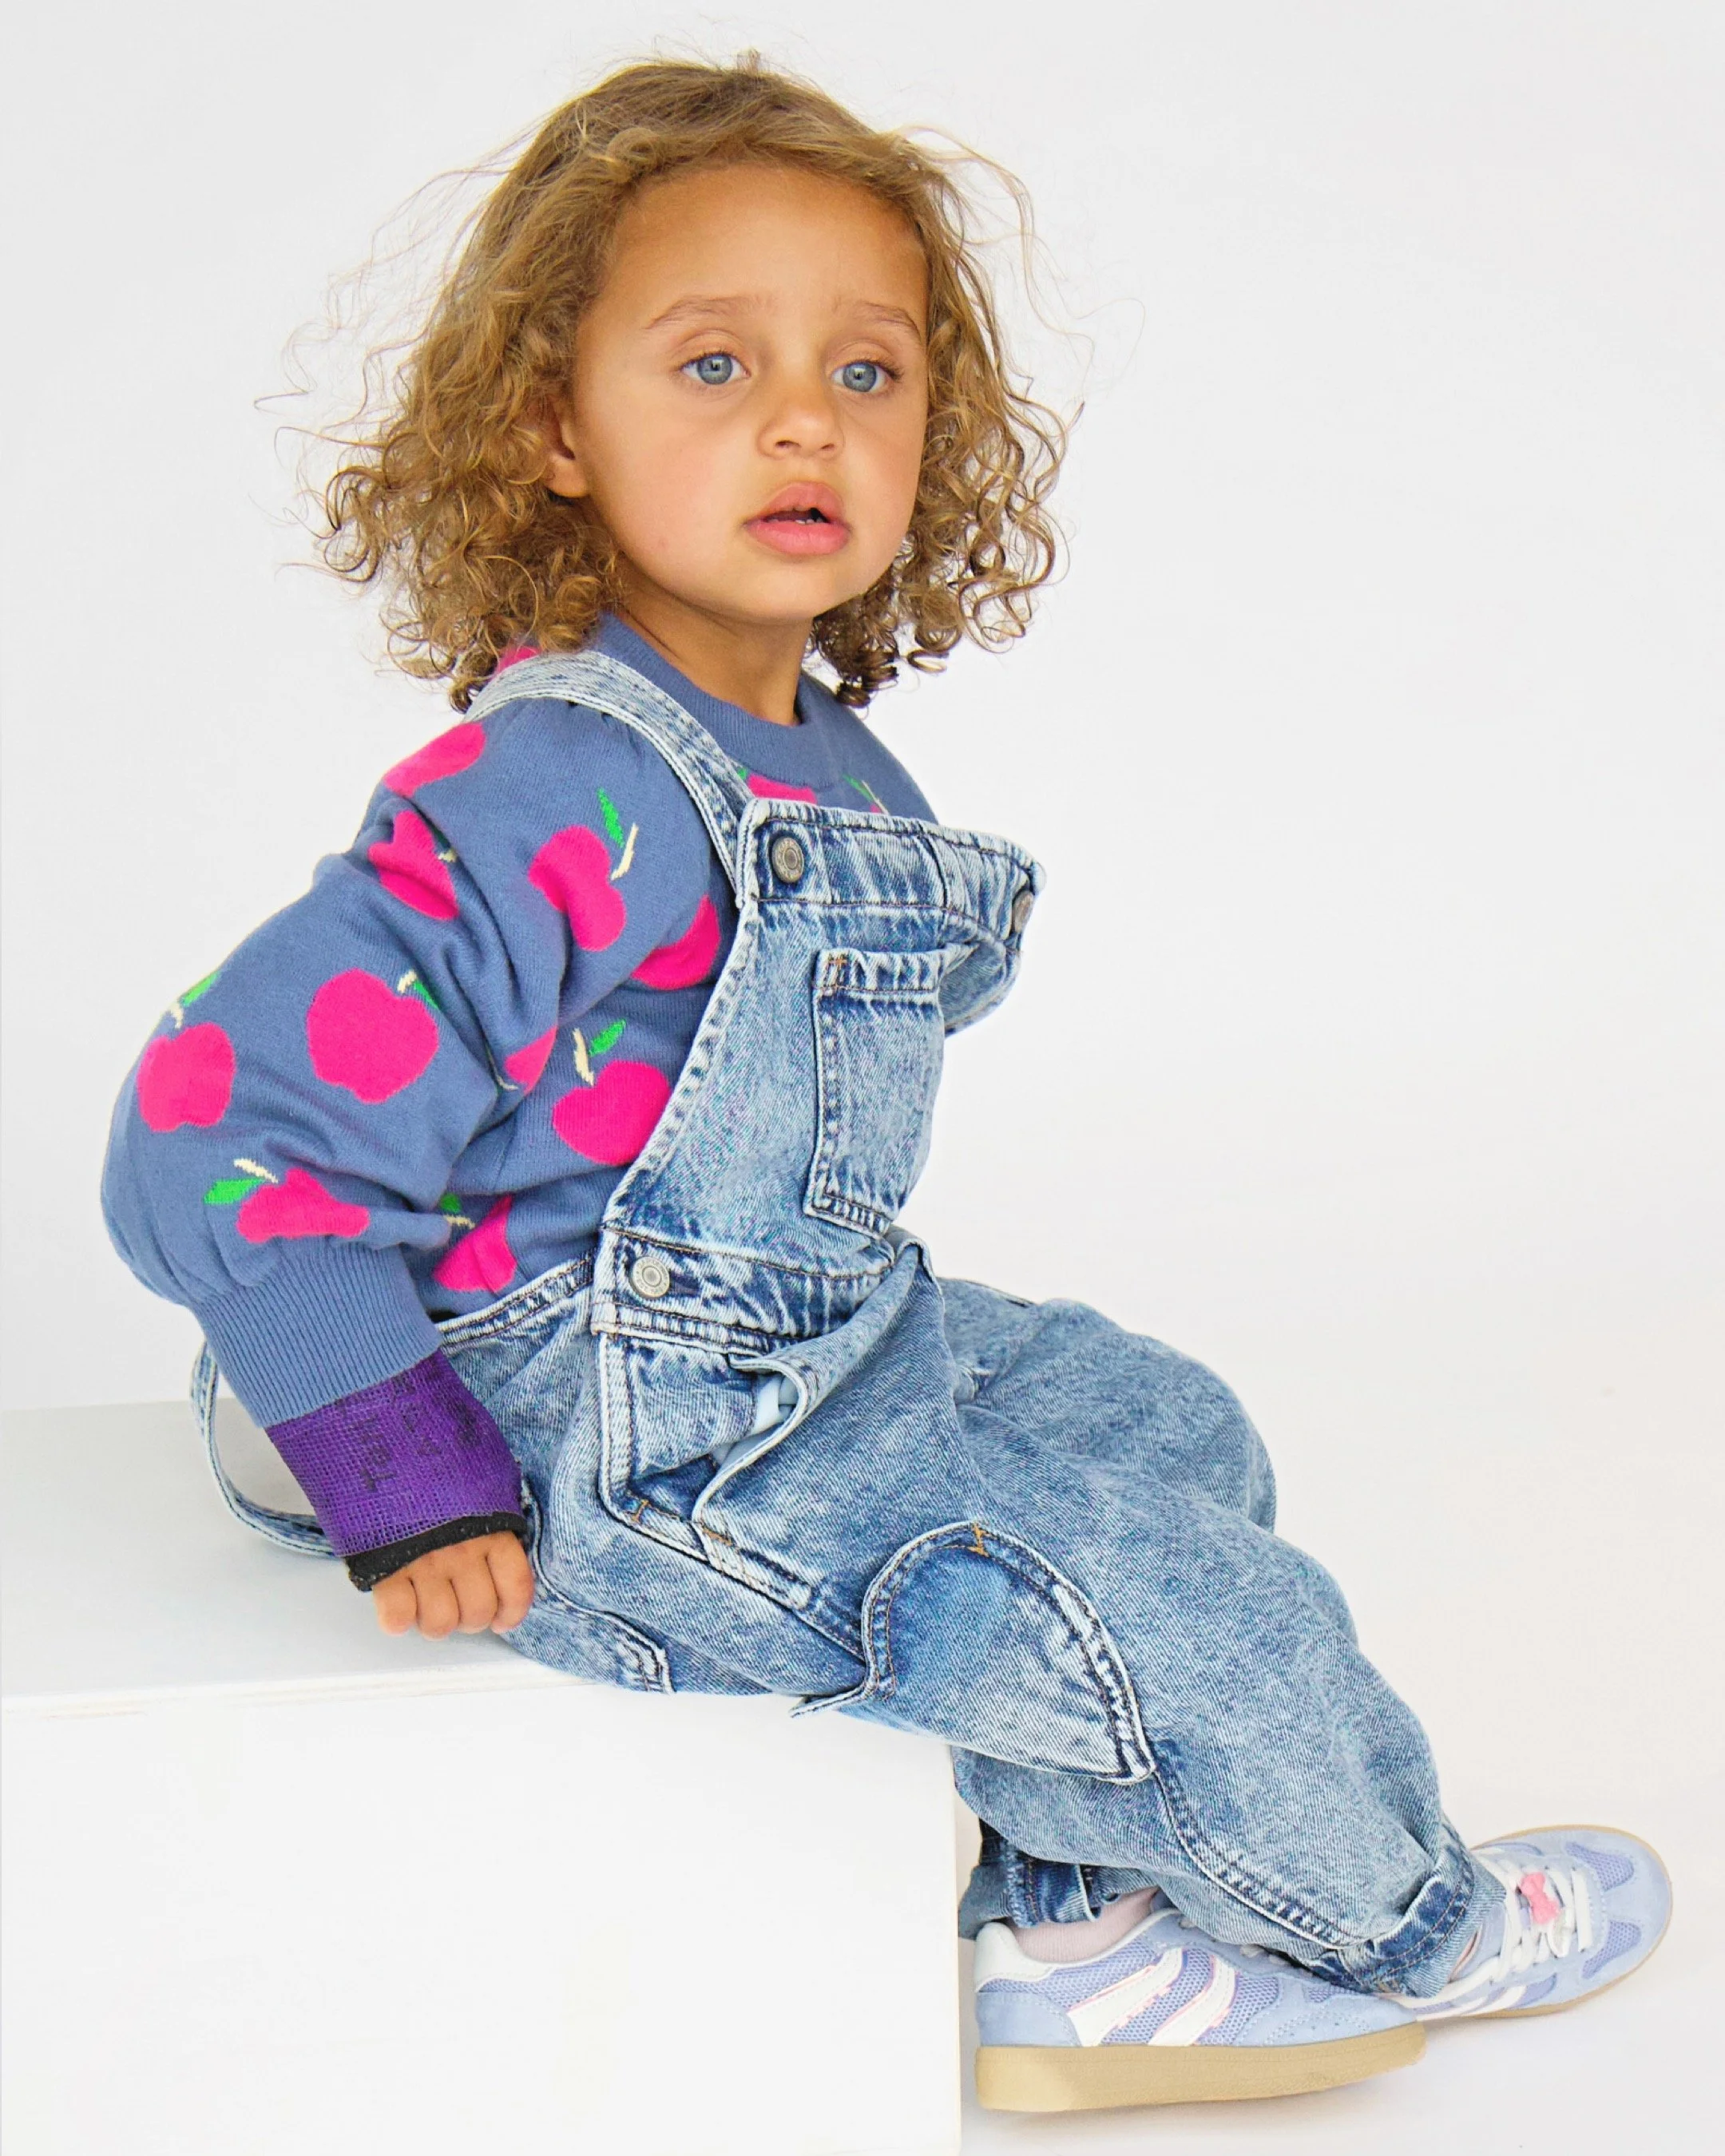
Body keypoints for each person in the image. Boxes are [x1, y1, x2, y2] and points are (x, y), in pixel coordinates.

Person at [100, 54, 1669, 2114]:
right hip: (617, 1434)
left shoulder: (817, 756)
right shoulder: (547, 788)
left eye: (867, 369)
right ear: (551, 428)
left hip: (806, 1344)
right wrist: (400, 1467)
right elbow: (211, 1130)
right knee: (1190, 1615)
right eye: (714, 361)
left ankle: (1082, 1938)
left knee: (1167, 1426)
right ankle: (1397, 1928)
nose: (799, 419)